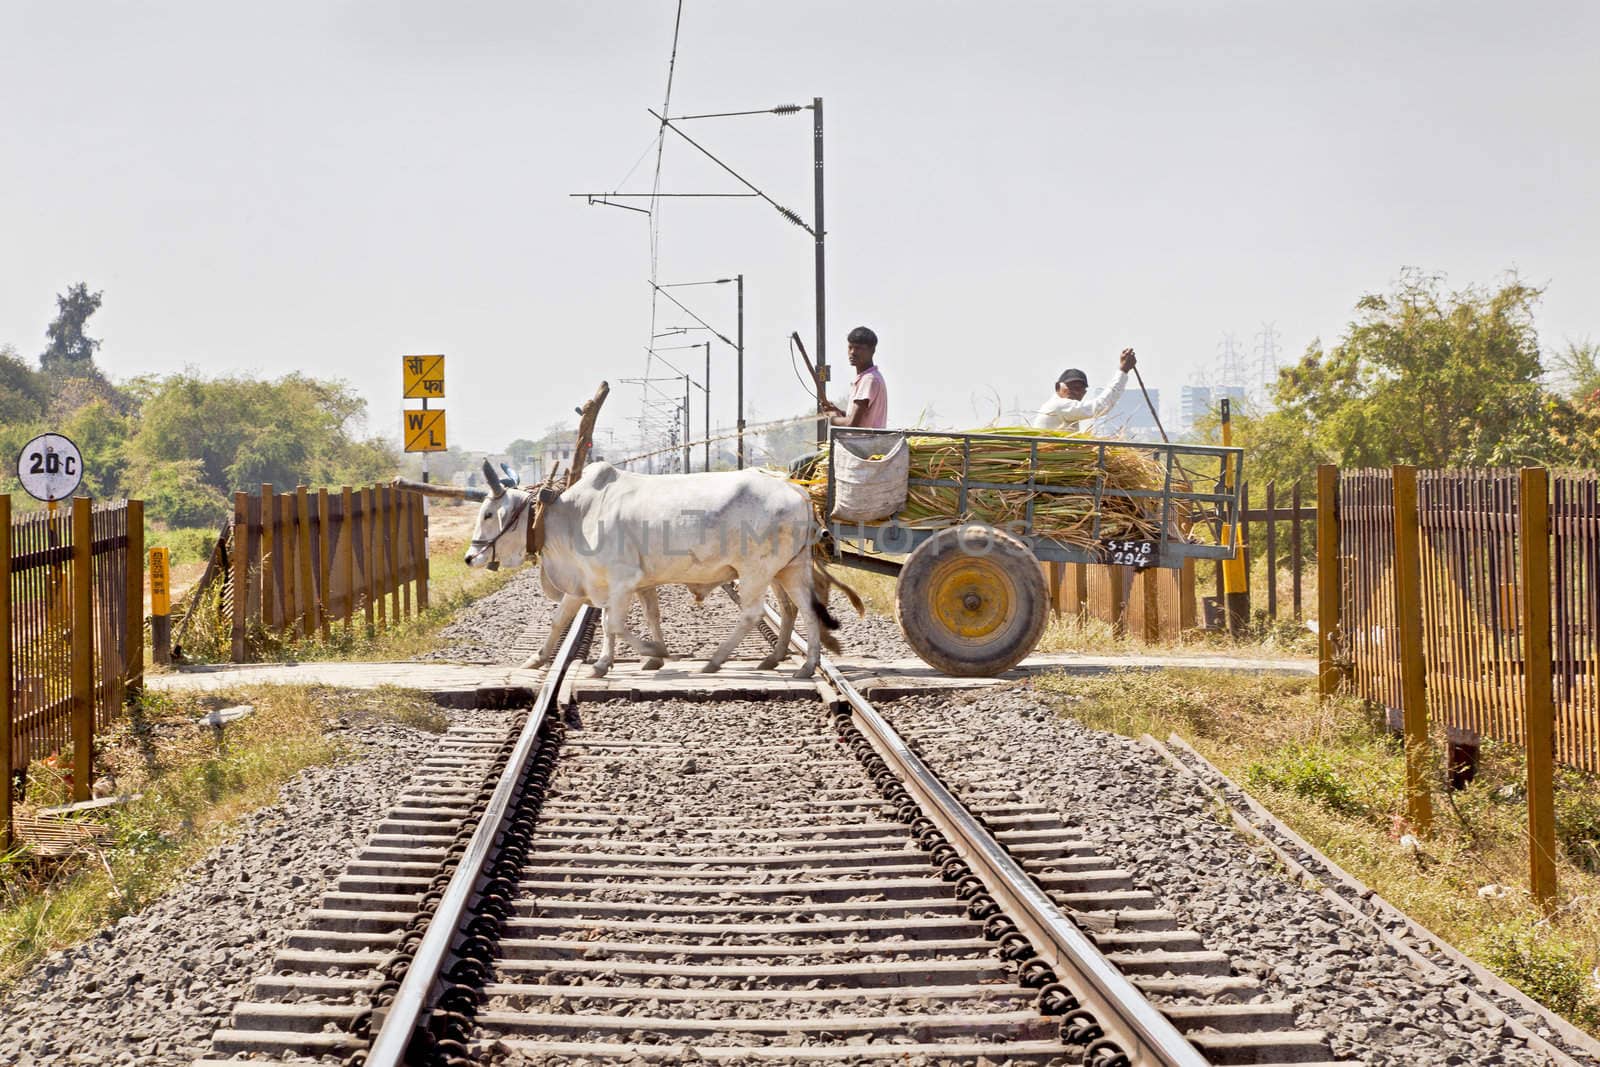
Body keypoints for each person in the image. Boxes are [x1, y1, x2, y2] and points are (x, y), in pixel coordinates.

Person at [1033, 348, 1137, 433]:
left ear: (1084, 393)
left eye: (1080, 389)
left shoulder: (1065, 409)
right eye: (1071, 387)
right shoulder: (1059, 405)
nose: (1076, 392)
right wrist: (1123, 371)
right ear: (1057, 387)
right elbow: (1100, 407)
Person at [823, 326, 888, 429]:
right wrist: (838, 412)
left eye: (858, 348)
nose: (852, 352)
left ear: (872, 350)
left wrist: (832, 418)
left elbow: (852, 424)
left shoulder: (869, 379)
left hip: (862, 444)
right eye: (850, 347)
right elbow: (860, 420)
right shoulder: (867, 378)